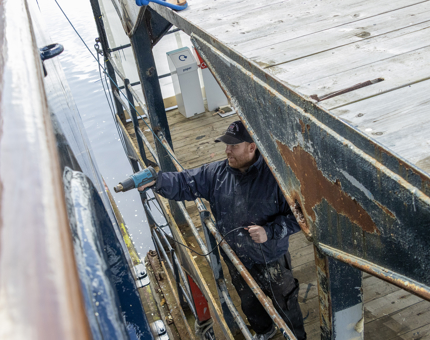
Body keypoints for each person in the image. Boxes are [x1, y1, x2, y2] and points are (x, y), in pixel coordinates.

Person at [139, 120, 306, 340]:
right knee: (249, 301)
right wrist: (157, 181)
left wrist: (270, 231)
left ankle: (296, 337)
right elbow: (185, 182)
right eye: (226, 145)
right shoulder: (215, 174)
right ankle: (265, 330)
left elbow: (301, 217)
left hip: (271, 257)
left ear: (251, 147)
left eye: (233, 146)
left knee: (286, 302)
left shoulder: (276, 178)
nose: (227, 150)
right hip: (236, 257)